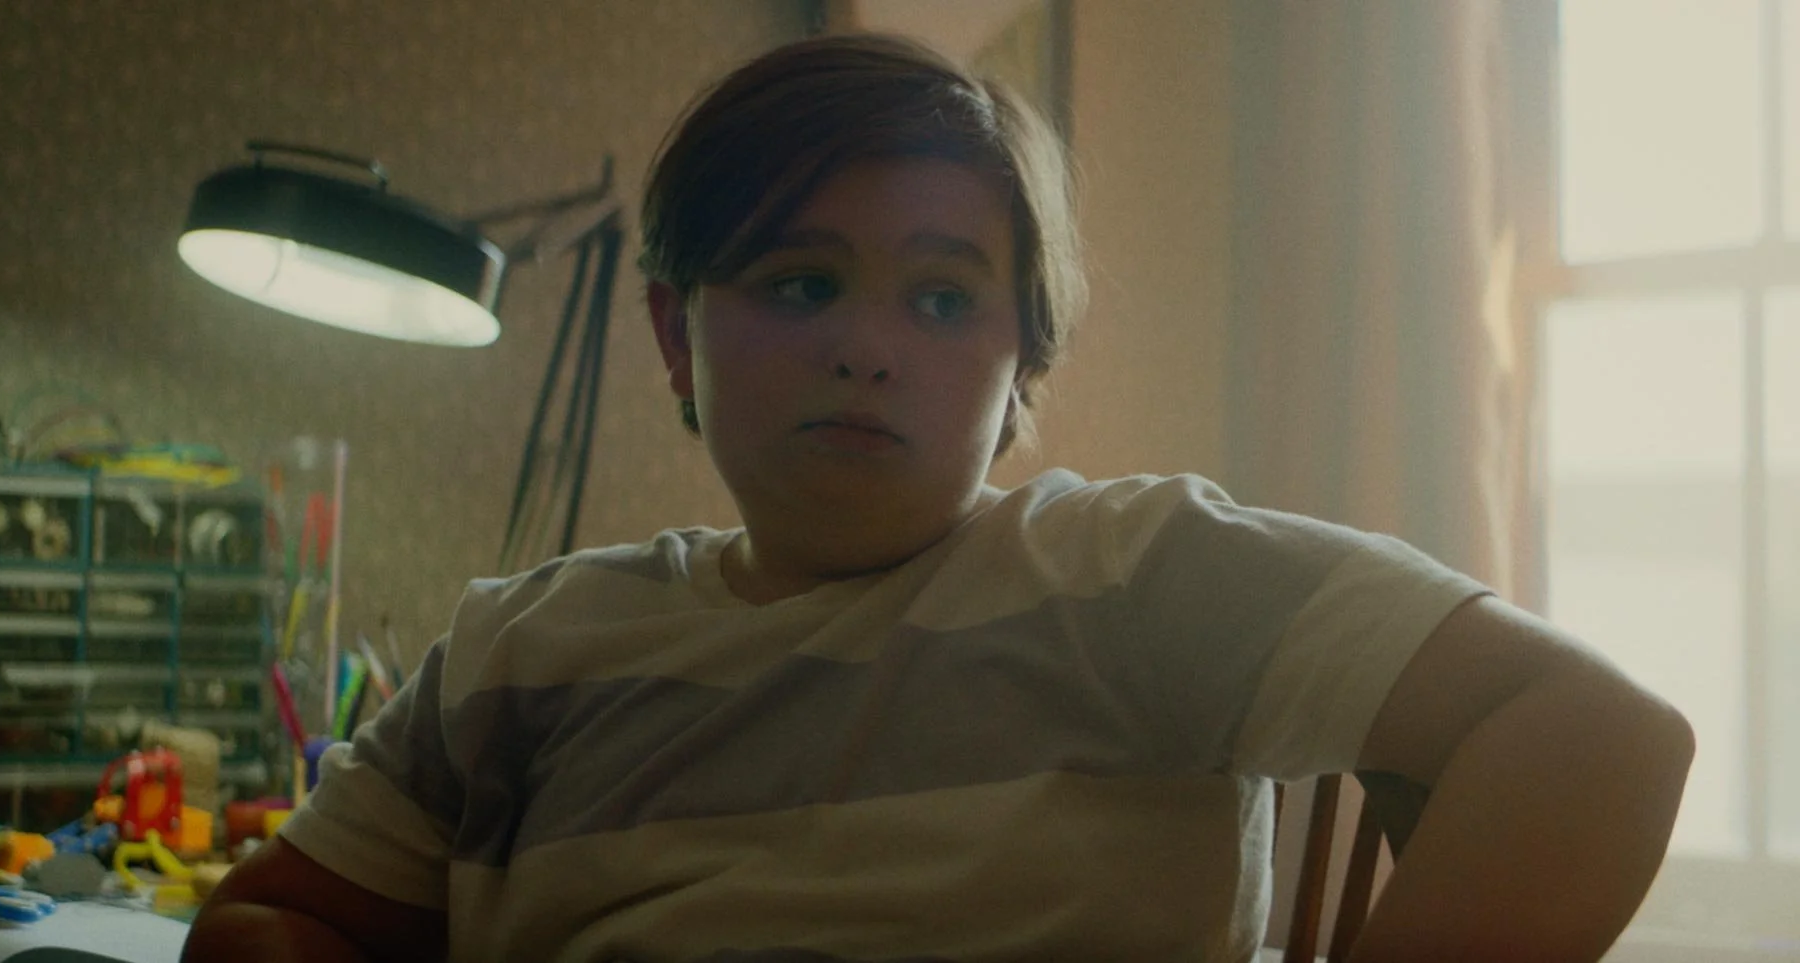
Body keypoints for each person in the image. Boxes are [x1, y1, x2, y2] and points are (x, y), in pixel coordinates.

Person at [185, 33, 1693, 963]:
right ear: (675, 334)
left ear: (1017, 359)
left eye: (943, 298)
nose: (866, 345)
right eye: (800, 281)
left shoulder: (1144, 575)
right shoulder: (522, 651)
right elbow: (269, 917)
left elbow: (1603, 741)